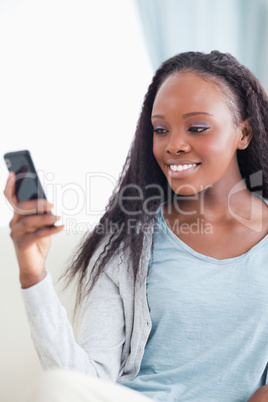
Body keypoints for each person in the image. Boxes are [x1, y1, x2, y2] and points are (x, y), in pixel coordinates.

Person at [4, 50, 268, 402]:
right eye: (161, 129)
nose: (173, 145)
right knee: (55, 387)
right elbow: (87, 378)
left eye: (197, 127)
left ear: (244, 133)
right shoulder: (126, 242)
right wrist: (33, 274)